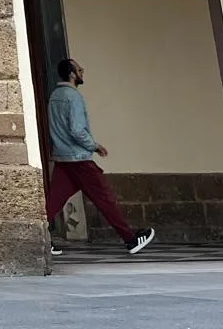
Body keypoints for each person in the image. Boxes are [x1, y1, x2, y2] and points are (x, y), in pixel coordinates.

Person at [45, 58, 156, 256]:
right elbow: (77, 130)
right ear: (72, 74)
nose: (82, 72)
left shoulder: (54, 96)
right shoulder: (74, 97)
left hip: (63, 158)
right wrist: (94, 146)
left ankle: (38, 237)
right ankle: (130, 239)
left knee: (53, 202)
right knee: (105, 199)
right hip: (80, 159)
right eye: (79, 69)